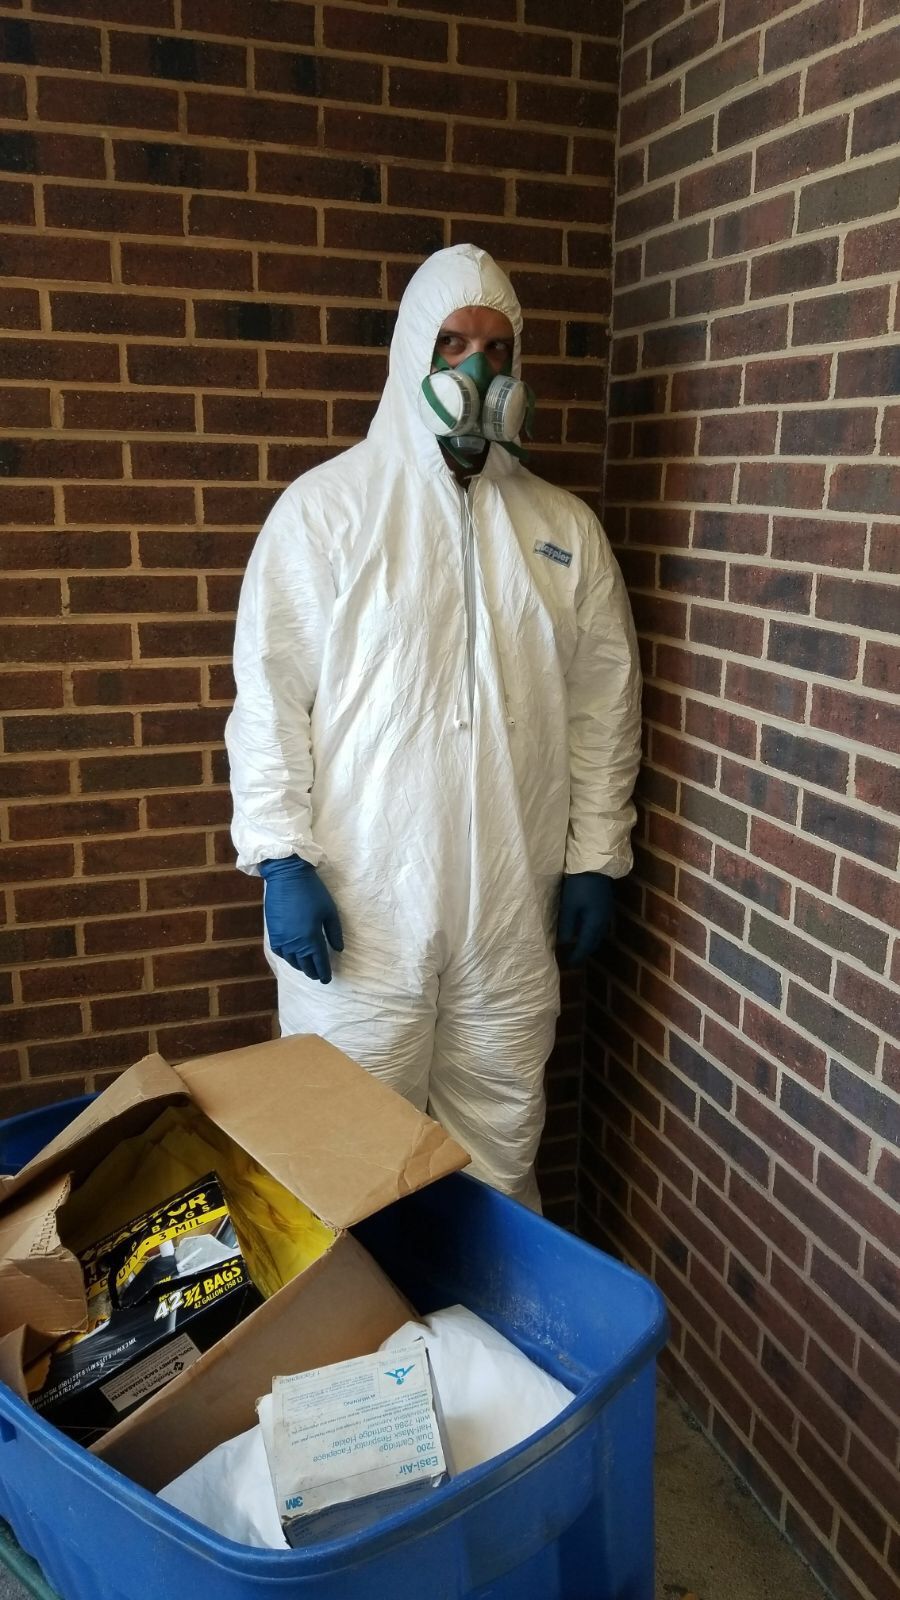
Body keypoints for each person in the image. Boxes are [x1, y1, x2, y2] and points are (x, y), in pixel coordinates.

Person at [225, 244, 641, 1209]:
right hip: (361, 912)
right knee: (345, 1156)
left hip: (512, 903)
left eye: (497, 350)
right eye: (452, 344)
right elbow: (271, 698)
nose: (476, 371)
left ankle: (480, 1302)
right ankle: (359, 1309)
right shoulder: (328, 513)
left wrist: (595, 856)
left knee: (499, 1139)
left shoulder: (563, 531)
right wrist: (281, 858)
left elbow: (603, 706)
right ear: (412, 350)